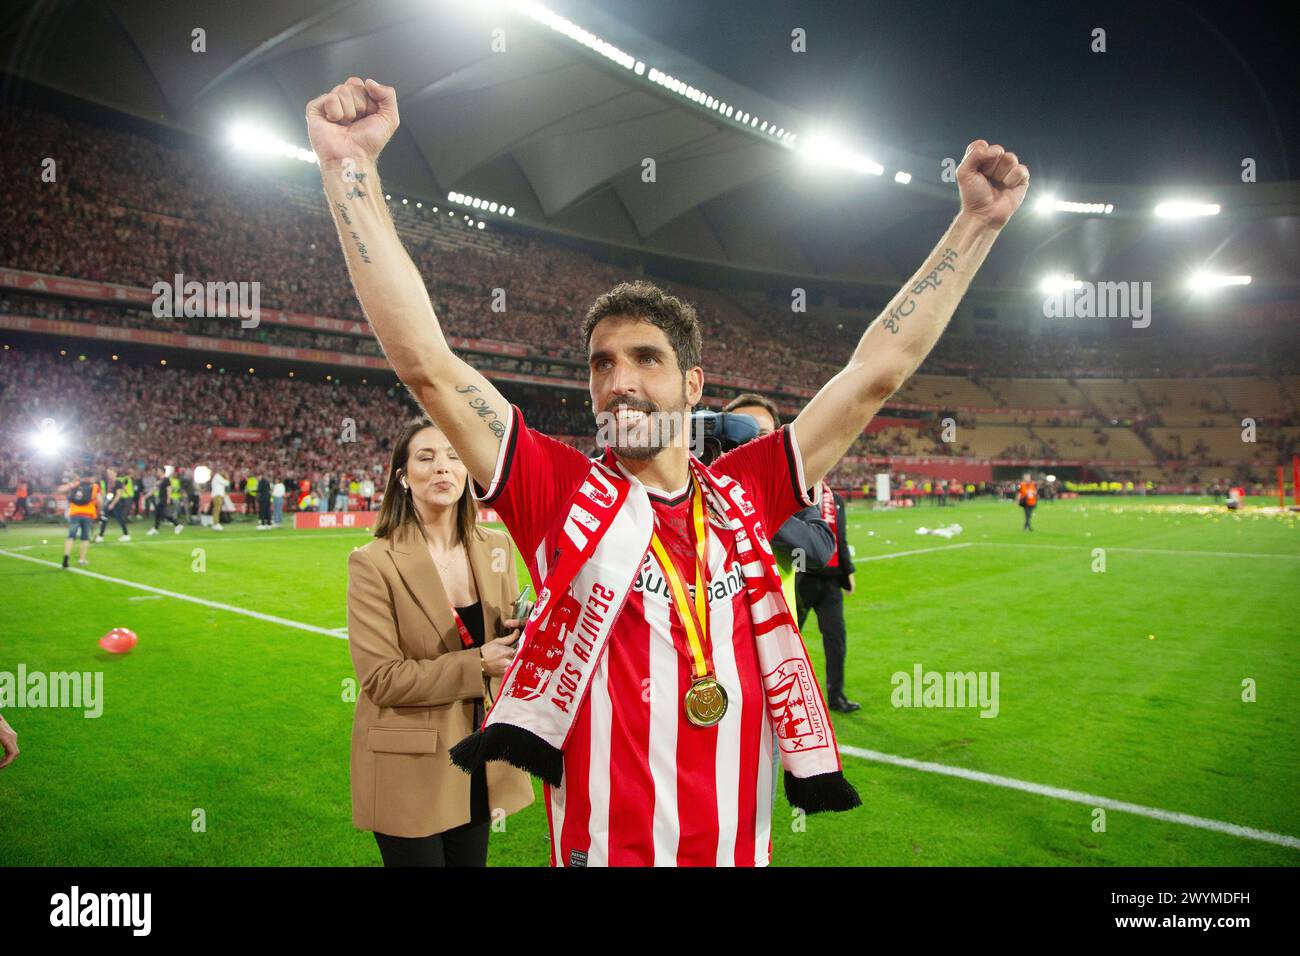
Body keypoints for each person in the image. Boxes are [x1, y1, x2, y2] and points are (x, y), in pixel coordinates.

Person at [309, 75, 1028, 865]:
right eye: (601, 364)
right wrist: (349, 169)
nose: (619, 380)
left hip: (734, 848)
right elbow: (428, 366)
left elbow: (873, 375)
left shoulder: (747, 489)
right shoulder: (555, 491)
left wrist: (976, 225)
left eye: (645, 359)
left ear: (692, 385)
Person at [346, 416, 534, 866]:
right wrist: (479, 665)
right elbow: (382, 680)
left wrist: (523, 636)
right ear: (403, 477)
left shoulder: (497, 548)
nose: (442, 467)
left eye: (453, 457)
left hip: (479, 760)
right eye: (426, 458)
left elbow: (508, 641)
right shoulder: (373, 563)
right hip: (410, 766)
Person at [795, 478, 860, 712]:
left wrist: (848, 572)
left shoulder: (837, 501)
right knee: (789, 642)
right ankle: (783, 697)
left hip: (831, 582)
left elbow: (840, 540)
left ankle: (836, 695)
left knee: (836, 640)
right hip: (802, 580)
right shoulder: (795, 496)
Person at [61, 470, 99, 568]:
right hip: (88, 514)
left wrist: (71, 484)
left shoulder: (76, 484)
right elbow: (99, 500)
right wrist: (100, 509)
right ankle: (82, 559)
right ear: (91, 477)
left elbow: (61, 489)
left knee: (71, 536)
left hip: (74, 513)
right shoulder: (95, 486)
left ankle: (66, 555)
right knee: (85, 538)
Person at [94, 467, 131, 542]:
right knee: (104, 518)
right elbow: (108, 493)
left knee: (119, 519)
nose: (109, 474)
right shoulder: (108, 482)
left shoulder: (118, 482)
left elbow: (118, 495)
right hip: (108, 502)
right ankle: (100, 536)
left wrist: (113, 504)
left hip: (117, 503)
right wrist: (106, 502)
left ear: (115, 473)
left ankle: (126, 535)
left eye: (110, 473)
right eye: (108, 473)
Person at [148, 466, 183, 535]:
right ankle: (156, 528)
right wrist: (147, 495)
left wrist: (168, 499)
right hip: (160, 498)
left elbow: (169, 489)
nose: (157, 473)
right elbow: (155, 488)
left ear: (162, 471)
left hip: (164, 499)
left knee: (161, 514)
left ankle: (177, 524)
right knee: (159, 514)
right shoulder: (160, 480)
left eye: (158, 471)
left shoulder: (166, 480)